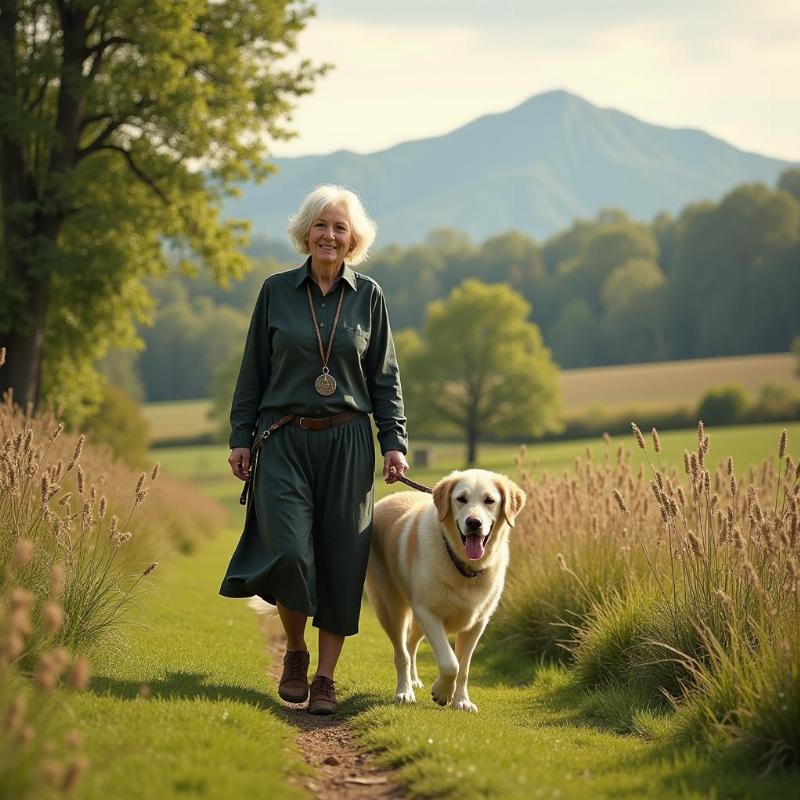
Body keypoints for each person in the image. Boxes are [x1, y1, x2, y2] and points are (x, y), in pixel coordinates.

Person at [219, 184, 409, 715]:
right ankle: (296, 651)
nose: (329, 235)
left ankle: (325, 678)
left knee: (343, 559)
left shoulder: (369, 297)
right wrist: (240, 436)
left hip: (349, 442)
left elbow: (385, 379)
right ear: (305, 232)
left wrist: (393, 443)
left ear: (354, 240)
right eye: (321, 225)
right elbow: (252, 369)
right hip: (281, 438)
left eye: (340, 228)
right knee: (289, 550)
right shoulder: (276, 291)